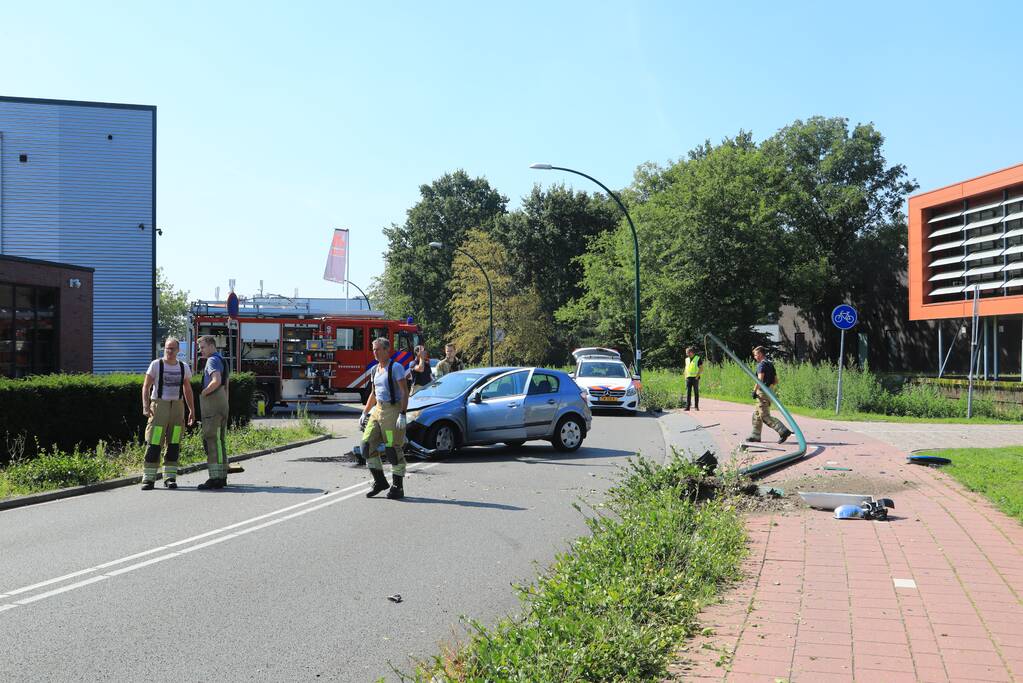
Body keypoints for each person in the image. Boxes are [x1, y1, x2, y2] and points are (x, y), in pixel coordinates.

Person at [140, 337, 195, 490]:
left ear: (178, 350)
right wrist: (146, 406)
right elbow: (146, 387)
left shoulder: (184, 367)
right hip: (159, 406)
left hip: (177, 408)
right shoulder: (156, 365)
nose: (169, 351)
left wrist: (192, 410)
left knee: (174, 442)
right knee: (155, 441)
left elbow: (188, 390)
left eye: (172, 348)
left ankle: (170, 477)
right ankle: (149, 478)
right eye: (167, 348)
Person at [358, 336, 409, 499]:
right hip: (377, 410)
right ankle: (380, 482)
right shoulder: (374, 369)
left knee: (391, 447)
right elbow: (373, 393)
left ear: (387, 350)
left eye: (378, 349)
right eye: (373, 349)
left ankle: (397, 487)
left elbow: (404, 392)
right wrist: (364, 412)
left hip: (392, 411)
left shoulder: (396, 368)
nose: (375, 352)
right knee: (366, 445)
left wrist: (402, 413)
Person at [197, 335, 231, 489]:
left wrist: (204, 392)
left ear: (211, 346)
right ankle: (222, 476)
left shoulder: (212, 360)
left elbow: (216, 381)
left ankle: (215, 478)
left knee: (211, 439)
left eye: (202, 347)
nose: (200, 350)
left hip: (213, 404)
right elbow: (225, 386)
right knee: (220, 440)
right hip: (223, 403)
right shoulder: (223, 360)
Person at [747, 346, 792, 444]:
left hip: (762, 392)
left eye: (755, 355)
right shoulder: (770, 364)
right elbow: (776, 381)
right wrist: (769, 388)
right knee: (757, 414)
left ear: (760, 354)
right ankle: (755, 435)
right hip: (769, 391)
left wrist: (754, 391)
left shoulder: (761, 365)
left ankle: (783, 431)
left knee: (765, 416)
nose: (755, 357)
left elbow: (759, 380)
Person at [682, 346, 703, 411]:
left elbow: (701, 368)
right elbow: (686, 368)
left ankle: (696, 407)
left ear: (691, 352)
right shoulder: (686, 359)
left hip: (695, 378)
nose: (686, 354)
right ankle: (687, 407)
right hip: (688, 378)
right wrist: (685, 376)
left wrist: (697, 376)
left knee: (696, 392)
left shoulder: (698, 358)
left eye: (687, 353)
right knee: (688, 392)